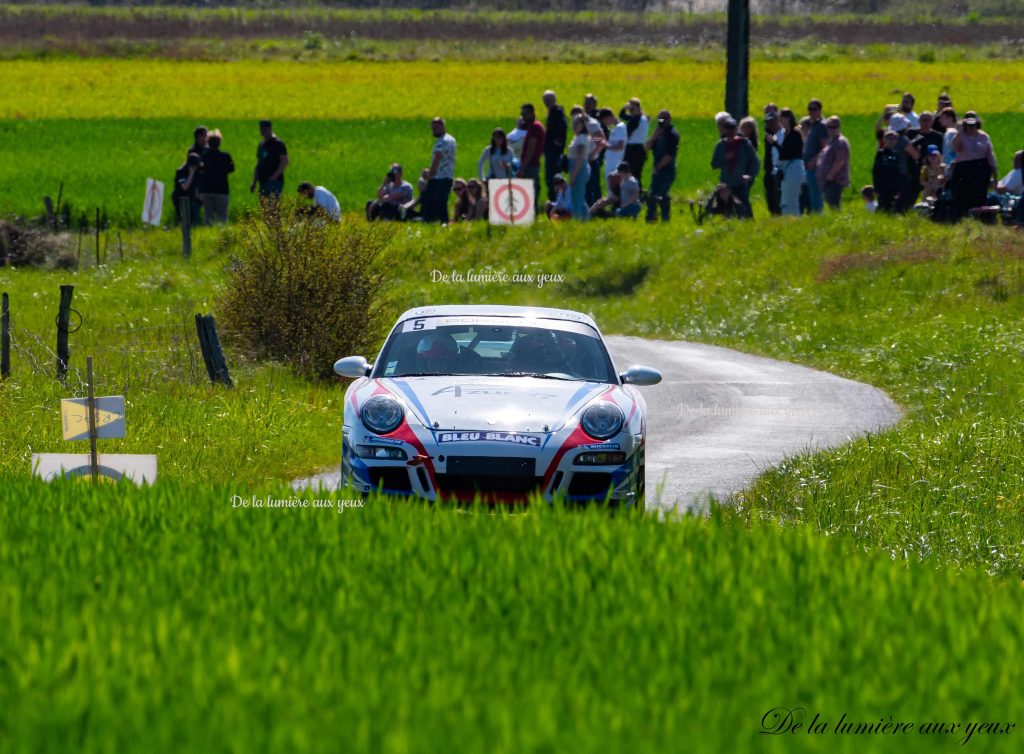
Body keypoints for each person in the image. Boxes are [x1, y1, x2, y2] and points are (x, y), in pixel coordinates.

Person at [951, 111, 998, 219]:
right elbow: (955, 148)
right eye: (968, 124)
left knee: (979, 195)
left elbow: (991, 156)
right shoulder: (961, 135)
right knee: (962, 195)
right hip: (964, 168)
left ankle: (980, 215)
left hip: (981, 169)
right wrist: (961, 131)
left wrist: (995, 175)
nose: (971, 127)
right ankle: (961, 216)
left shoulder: (984, 136)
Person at [711, 117, 760, 219]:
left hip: (740, 182)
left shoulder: (744, 144)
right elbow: (714, 164)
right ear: (724, 130)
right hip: (726, 183)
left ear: (736, 129)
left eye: (733, 128)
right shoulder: (720, 145)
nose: (730, 131)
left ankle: (748, 224)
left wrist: (750, 175)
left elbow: (755, 161)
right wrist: (725, 158)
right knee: (725, 209)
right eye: (728, 128)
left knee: (744, 207)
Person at [644, 109, 679, 222]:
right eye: (659, 119)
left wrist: (658, 167)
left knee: (662, 195)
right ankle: (651, 217)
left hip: (667, 170)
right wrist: (654, 136)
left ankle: (665, 218)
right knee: (652, 195)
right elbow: (646, 148)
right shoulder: (658, 133)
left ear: (669, 119)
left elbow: (670, 155)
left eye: (663, 119)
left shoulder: (672, 134)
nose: (661, 121)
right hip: (657, 169)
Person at [423, 116, 457, 223]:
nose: (433, 130)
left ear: (442, 126)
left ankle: (431, 221)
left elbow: (437, 158)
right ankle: (444, 222)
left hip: (438, 177)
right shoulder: (451, 139)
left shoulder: (442, 141)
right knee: (442, 202)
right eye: (432, 128)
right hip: (448, 176)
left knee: (430, 201)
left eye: (435, 128)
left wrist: (430, 174)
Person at [197, 129, 234, 225]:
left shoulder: (204, 157)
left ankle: (207, 235)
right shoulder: (226, 156)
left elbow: (200, 171)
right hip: (221, 190)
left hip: (206, 191)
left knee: (208, 217)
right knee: (222, 218)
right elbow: (231, 169)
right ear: (219, 142)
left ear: (208, 142)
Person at [886, 114, 920, 212]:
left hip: (889, 171)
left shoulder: (888, 138)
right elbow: (915, 155)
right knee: (903, 196)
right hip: (902, 172)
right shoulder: (903, 140)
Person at [516, 103, 545, 209]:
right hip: (533, 165)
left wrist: (523, 168)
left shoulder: (534, 127)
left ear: (532, 113)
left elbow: (531, 149)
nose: (523, 116)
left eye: (525, 113)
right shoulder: (536, 127)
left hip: (530, 166)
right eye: (522, 114)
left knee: (528, 192)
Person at [817, 116, 850, 209]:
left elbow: (839, 161)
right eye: (829, 127)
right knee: (830, 202)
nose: (831, 130)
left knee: (834, 204)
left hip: (835, 179)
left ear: (839, 127)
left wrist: (830, 175)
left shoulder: (840, 142)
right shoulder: (831, 141)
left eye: (834, 127)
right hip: (828, 180)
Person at [776, 108, 804, 217]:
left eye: (781, 118)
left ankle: (793, 218)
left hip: (793, 167)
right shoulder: (787, 133)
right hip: (788, 168)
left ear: (787, 118)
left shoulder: (795, 133)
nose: (779, 121)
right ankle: (789, 218)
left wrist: (774, 144)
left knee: (791, 199)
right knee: (786, 198)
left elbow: (786, 153)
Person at [802, 99, 829, 213]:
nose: (811, 112)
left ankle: (819, 216)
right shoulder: (811, 125)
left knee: (816, 195)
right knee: (809, 195)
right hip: (806, 165)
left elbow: (825, 147)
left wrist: (814, 160)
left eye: (814, 109)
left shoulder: (822, 126)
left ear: (819, 110)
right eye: (809, 109)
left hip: (815, 166)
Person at [250, 120, 288, 199]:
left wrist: (274, 177)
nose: (263, 131)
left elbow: (284, 161)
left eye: (265, 129)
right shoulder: (262, 145)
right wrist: (254, 182)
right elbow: (259, 163)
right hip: (262, 181)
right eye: (261, 129)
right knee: (264, 208)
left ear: (270, 129)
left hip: (274, 182)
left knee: (272, 207)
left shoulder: (278, 144)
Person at [543, 90, 568, 201]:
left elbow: (562, 127)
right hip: (551, 150)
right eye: (545, 100)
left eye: (549, 100)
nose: (547, 102)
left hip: (554, 151)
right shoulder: (552, 112)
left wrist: (557, 140)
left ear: (554, 100)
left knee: (554, 177)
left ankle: (557, 200)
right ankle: (555, 200)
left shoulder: (557, 112)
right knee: (551, 177)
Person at [584, 93, 607, 205]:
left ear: (594, 104)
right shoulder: (585, 116)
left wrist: (596, 151)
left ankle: (597, 206)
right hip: (587, 154)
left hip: (594, 154)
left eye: (589, 102)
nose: (587, 104)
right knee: (587, 183)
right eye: (586, 102)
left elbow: (602, 136)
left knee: (594, 183)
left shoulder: (596, 117)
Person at [567, 115, 591, 221]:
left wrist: (573, 175)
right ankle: (585, 218)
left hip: (578, 167)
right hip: (579, 167)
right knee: (580, 196)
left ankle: (577, 219)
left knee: (576, 197)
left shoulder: (581, 138)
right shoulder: (579, 137)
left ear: (583, 125)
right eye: (573, 123)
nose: (574, 126)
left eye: (577, 123)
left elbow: (580, 157)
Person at [872, 130, 903, 212]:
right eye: (889, 138)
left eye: (893, 139)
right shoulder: (881, 153)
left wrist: (898, 187)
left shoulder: (896, 154)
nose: (891, 141)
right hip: (883, 185)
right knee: (882, 205)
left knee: (892, 206)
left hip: (893, 185)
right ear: (884, 140)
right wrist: (876, 187)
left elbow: (897, 172)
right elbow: (876, 171)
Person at [623, 98, 649, 190]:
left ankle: (634, 193)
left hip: (632, 149)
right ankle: (638, 193)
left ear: (638, 108)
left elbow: (626, 134)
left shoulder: (635, 119)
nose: (630, 112)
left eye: (632, 109)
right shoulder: (643, 118)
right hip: (640, 149)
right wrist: (624, 108)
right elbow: (623, 116)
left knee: (628, 173)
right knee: (637, 174)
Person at [172, 152, 203, 227]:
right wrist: (191, 173)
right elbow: (185, 187)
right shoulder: (181, 172)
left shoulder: (197, 171)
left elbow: (196, 187)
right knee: (184, 221)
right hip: (181, 199)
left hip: (192, 199)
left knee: (194, 220)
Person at [763, 110, 783, 215]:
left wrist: (774, 143)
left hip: (782, 170)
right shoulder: (769, 136)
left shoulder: (783, 134)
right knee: (771, 197)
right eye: (768, 122)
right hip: (771, 170)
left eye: (772, 122)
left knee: (779, 197)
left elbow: (785, 152)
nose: (770, 124)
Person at [599, 108, 627, 183]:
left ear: (609, 117)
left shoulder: (620, 128)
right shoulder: (615, 128)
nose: (605, 124)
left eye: (604, 121)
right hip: (611, 163)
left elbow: (620, 146)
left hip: (615, 164)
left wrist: (606, 145)